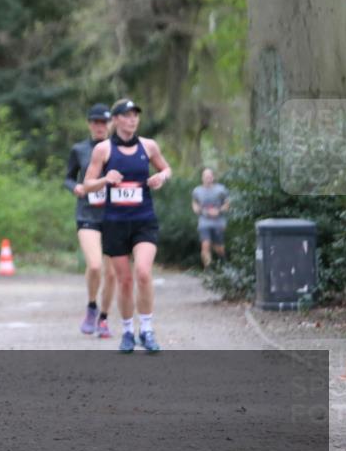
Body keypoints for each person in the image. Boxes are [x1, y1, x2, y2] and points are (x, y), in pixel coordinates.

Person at [82, 99, 172, 354]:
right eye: (127, 115)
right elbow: (87, 184)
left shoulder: (148, 146)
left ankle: (147, 329)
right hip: (115, 223)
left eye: (135, 115)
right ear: (117, 120)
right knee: (124, 280)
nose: (132, 119)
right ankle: (127, 332)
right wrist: (105, 179)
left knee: (143, 272)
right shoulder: (104, 150)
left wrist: (160, 177)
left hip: (144, 220)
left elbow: (166, 169)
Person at [64, 104, 117, 339]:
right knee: (95, 265)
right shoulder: (80, 150)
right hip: (87, 214)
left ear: (110, 124)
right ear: (89, 124)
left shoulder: (119, 149)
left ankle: (104, 319)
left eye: (104, 122)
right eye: (95, 122)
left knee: (112, 273)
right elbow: (67, 177)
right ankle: (91, 306)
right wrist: (74, 186)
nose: (100, 127)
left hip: (115, 216)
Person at [192, 168, 230, 268]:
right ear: (202, 178)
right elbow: (195, 203)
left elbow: (227, 205)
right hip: (204, 222)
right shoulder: (197, 190)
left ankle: (224, 265)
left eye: (209, 176)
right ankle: (208, 270)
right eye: (205, 176)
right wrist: (197, 210)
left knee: (219, 248)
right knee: (205, 245)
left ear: (213, 177)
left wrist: (219, 211)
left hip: (218, 222)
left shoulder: (221, 189)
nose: (208, 178)